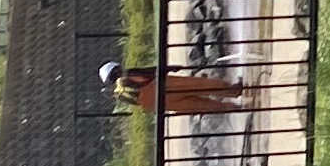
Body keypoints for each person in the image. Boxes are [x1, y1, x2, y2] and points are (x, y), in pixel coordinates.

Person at [102, 58, 251, 115]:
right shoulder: (126, 76)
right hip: (165, 87)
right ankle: (233, 90)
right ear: (116, 70)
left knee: (201, 105)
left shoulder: (120, 95)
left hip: (161, 104)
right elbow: (150, 73)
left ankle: (236, 108)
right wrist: (169, 68)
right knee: (200, 86)